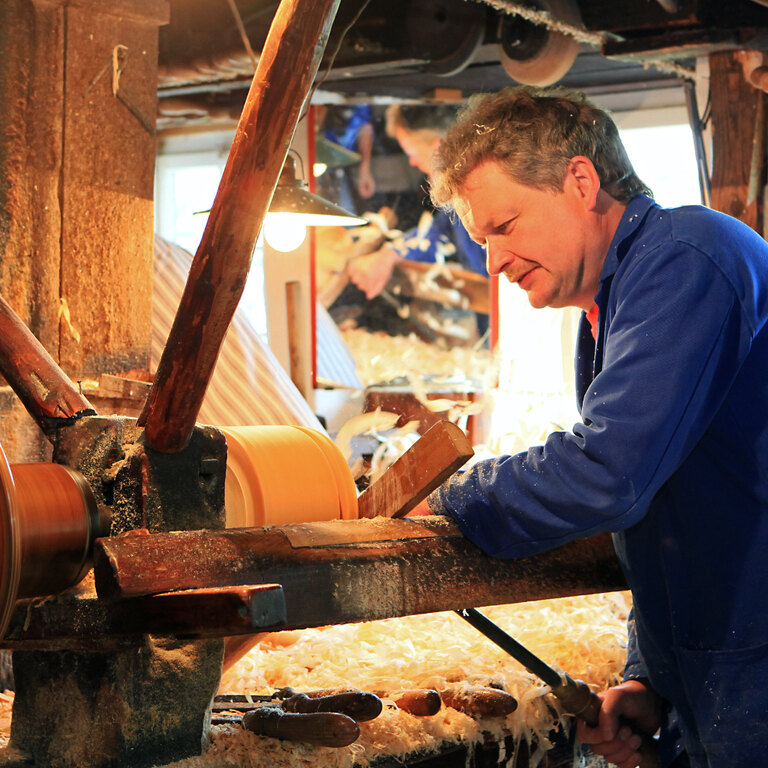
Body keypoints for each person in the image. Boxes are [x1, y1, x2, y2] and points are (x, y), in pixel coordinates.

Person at [412, 86, 768, 768]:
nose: (492, 262)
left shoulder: (687, 256)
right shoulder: (610, 310)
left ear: (580, 179)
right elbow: (666, 514)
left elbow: (611, 474)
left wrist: (453, 494)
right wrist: (649, 679)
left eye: (504, 226)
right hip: (724, 670)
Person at [347, 104, 488, 300]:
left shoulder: (483, 191)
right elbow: (436, 233)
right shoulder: (455, 200)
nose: (412, 162)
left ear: (437, 148)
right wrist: (390, 254)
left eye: (411, 153)